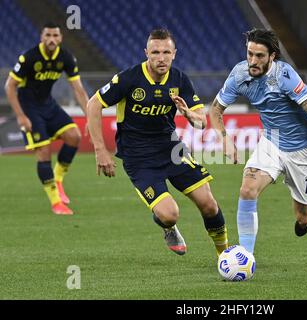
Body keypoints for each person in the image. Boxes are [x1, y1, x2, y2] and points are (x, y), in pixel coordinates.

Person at [209, 29, 307, 254]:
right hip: (272, 142)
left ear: (272, 56)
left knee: (302, 219)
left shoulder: (285, 77)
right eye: (250, 54)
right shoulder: (239, 75)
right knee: (247, 189)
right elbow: (216, 110)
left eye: (259, 56)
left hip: (304, 150)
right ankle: (246, 257)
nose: (253, 61)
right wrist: (225, 139)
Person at [86, 29, 228, 256]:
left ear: (174, 54)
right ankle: (168, 227)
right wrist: (100, 149)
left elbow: (201, 122)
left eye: (166, 52)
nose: (161, 58)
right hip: (138, 157)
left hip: (171, 148)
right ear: (146, 53)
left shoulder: (179, 79)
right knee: (169, 213)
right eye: (155, 52)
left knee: (209, 204)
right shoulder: (129, 78)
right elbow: (93, 104)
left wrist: (190, 115)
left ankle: (225, 255)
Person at [4, 22, 89, 215]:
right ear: (41, 37)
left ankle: (58, 180)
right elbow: (9, 86)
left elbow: (78, 89)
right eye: (48, 35)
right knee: (43, 151)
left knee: (74, 137)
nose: (51, 39)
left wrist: (90, 117)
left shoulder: (66, 57)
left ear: (60, 38)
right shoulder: (29, 57)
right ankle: (56, 202)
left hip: (48, 104)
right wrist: (20, 116)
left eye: (55, 36)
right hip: (29, 108)